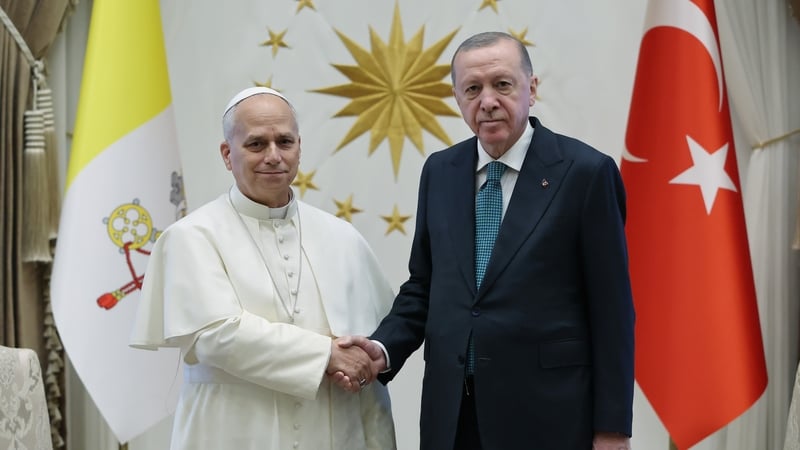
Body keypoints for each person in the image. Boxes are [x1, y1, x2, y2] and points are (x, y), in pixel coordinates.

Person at [337, 32, 635, 449]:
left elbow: (612, 311)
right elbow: (424, 287)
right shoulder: (440, 171)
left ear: (531, 89)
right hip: (452, 417)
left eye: (502, 84)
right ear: (457, 98)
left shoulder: (586, 173)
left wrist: (612, 429)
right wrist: (381, 349)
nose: (488, 101)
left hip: (549, 418)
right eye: (473, 89)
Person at [130, 87, 396, 450]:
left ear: (299, 147)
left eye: (285, 142)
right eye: (256, 144)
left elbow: (369, 365)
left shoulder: (343, 237)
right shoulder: (191, 237)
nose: (273, 156)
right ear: (227, 154)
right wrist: (327, 354)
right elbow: (216, 335)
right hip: (231, 434)